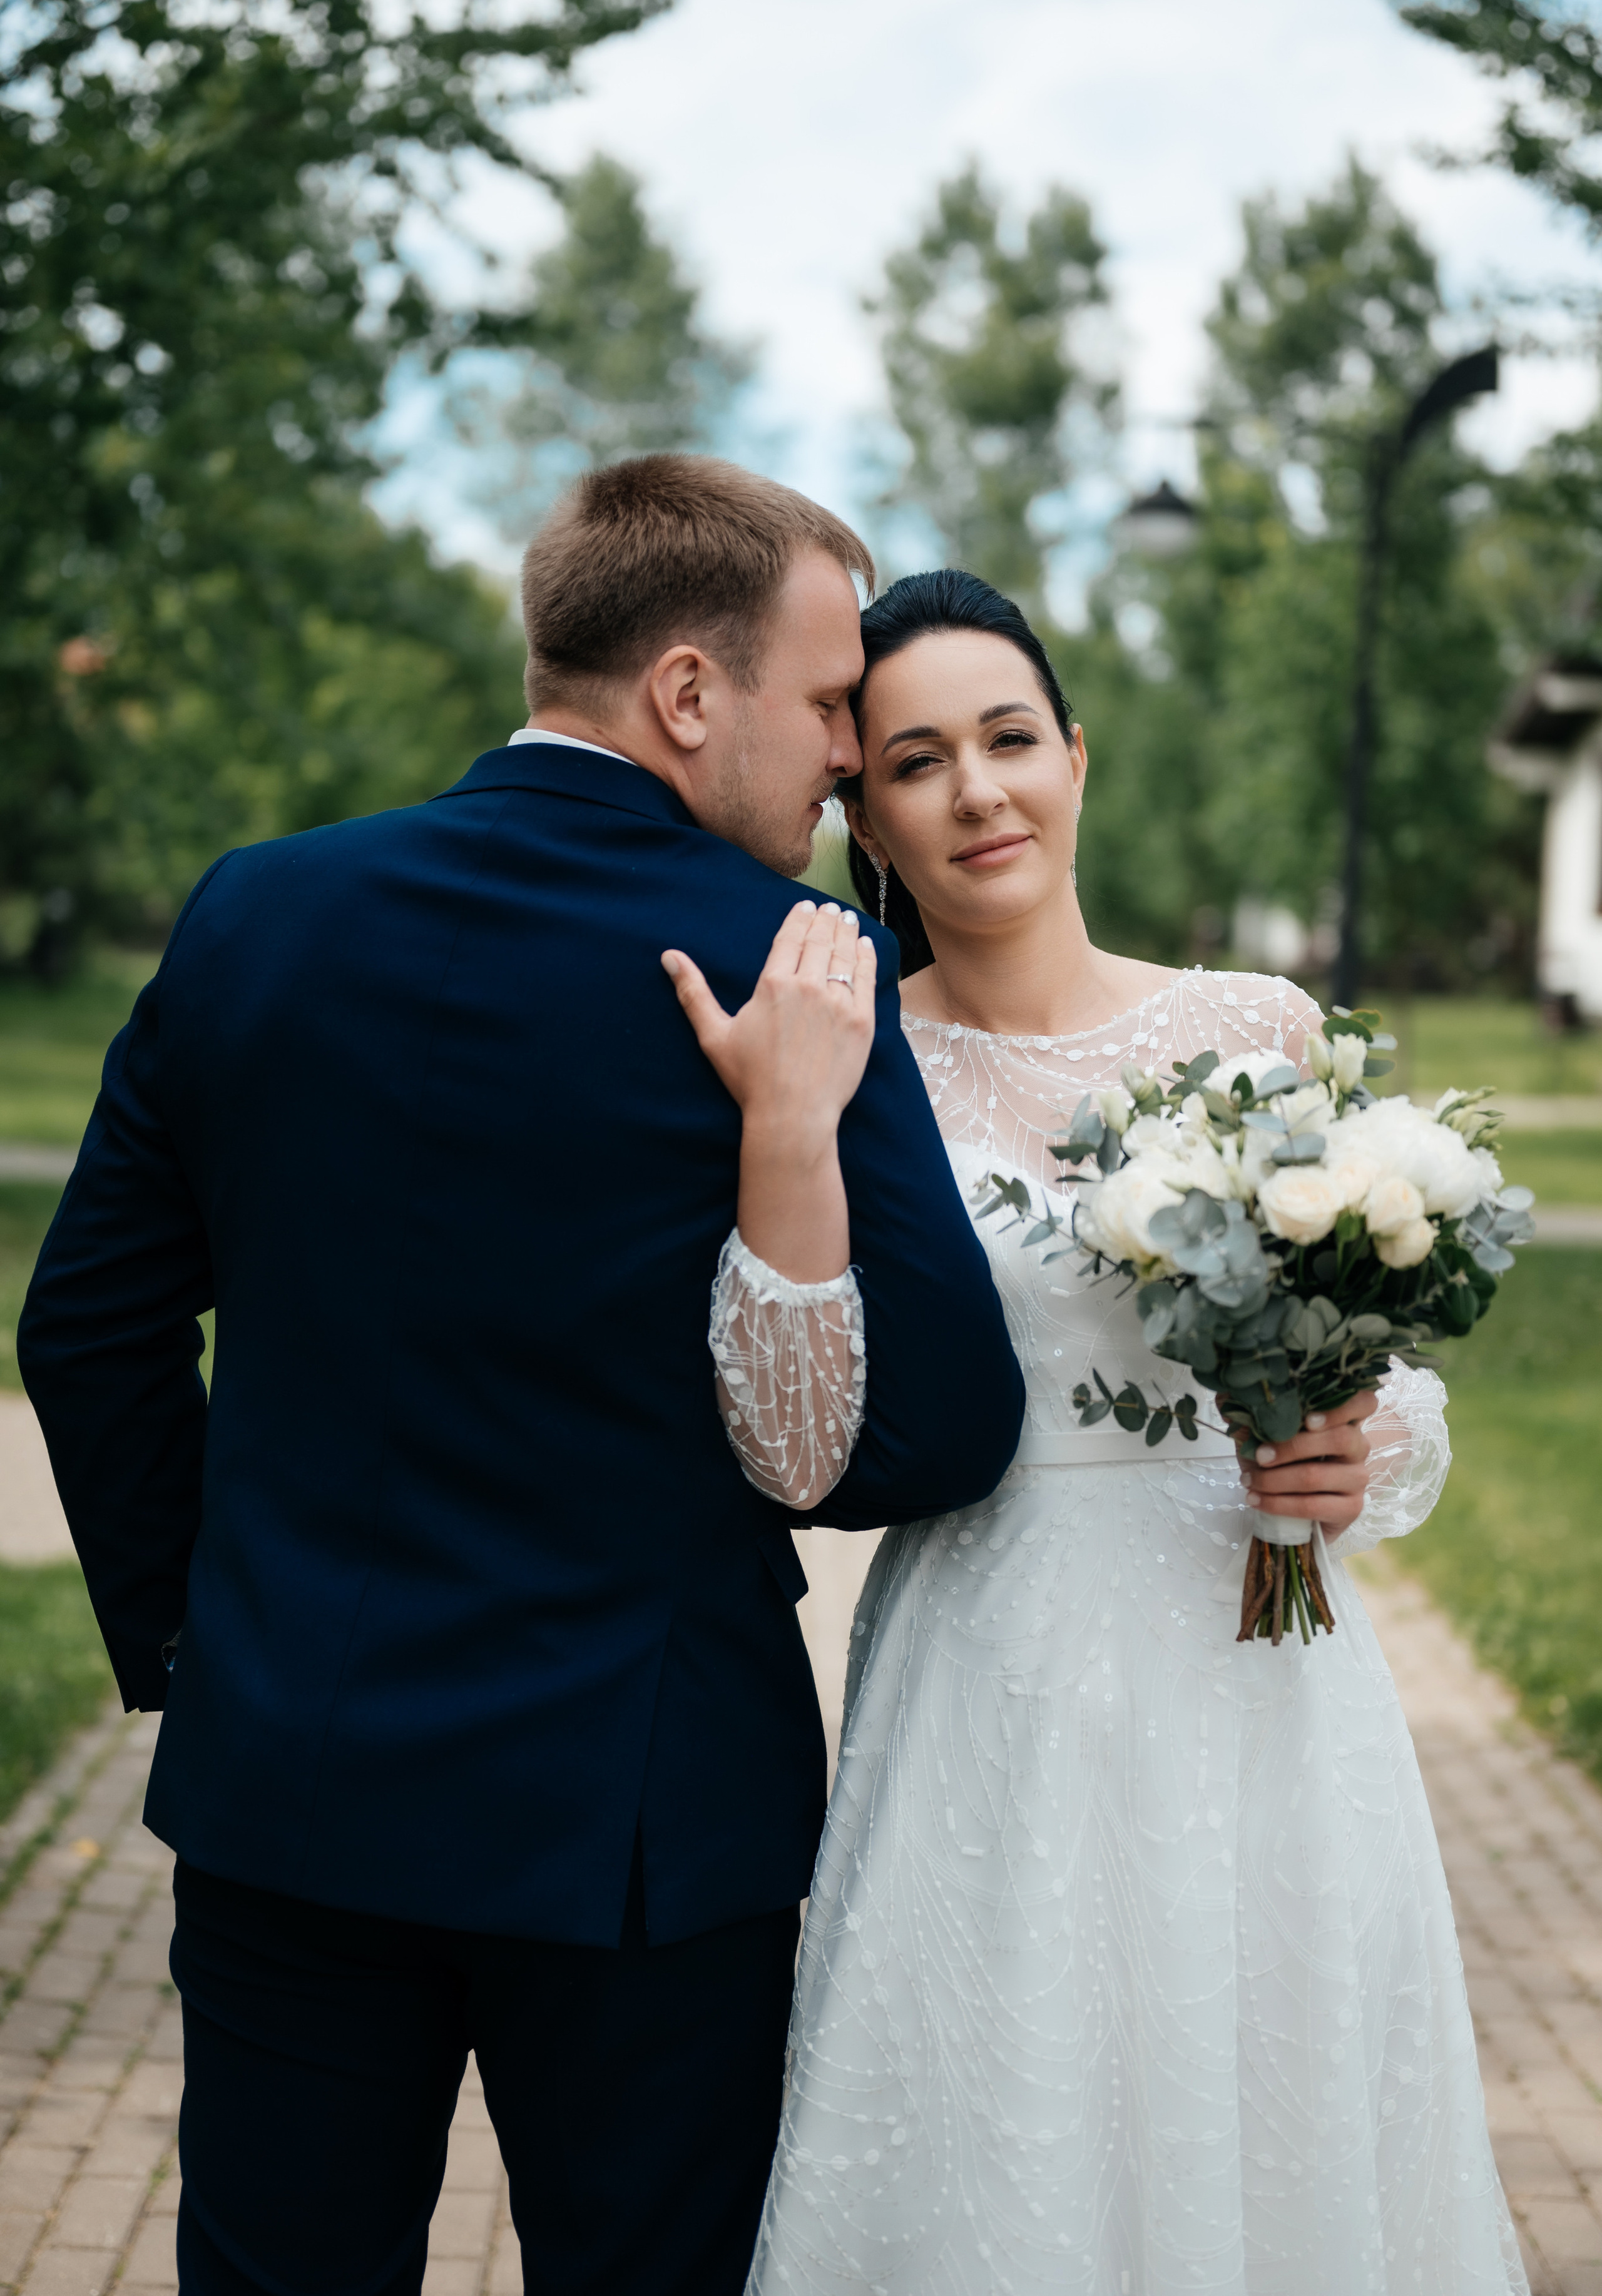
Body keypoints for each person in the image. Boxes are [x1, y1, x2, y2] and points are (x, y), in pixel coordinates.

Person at [17, 467, 1026, 2296]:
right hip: (646, 1835)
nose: (842, 764)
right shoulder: (795, 967)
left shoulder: (259, 914)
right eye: (824, 708)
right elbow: (945, 1425)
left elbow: (85, 1323)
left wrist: (194, 1640)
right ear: (690, 695)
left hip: (289, 1794)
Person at [735, 568, 1527, 2295]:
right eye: (919, 757)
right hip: (991, 1672)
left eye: (1011, 737)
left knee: (1271, 2106)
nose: (978, 789)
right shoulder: (856, 1060)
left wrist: (1358, 1447)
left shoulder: (1258, 1032)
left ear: (1078, 758)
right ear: (863, 807)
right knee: (1005, 2108)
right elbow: (804, 1408)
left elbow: (1377, 1372)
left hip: (1262, 1676)